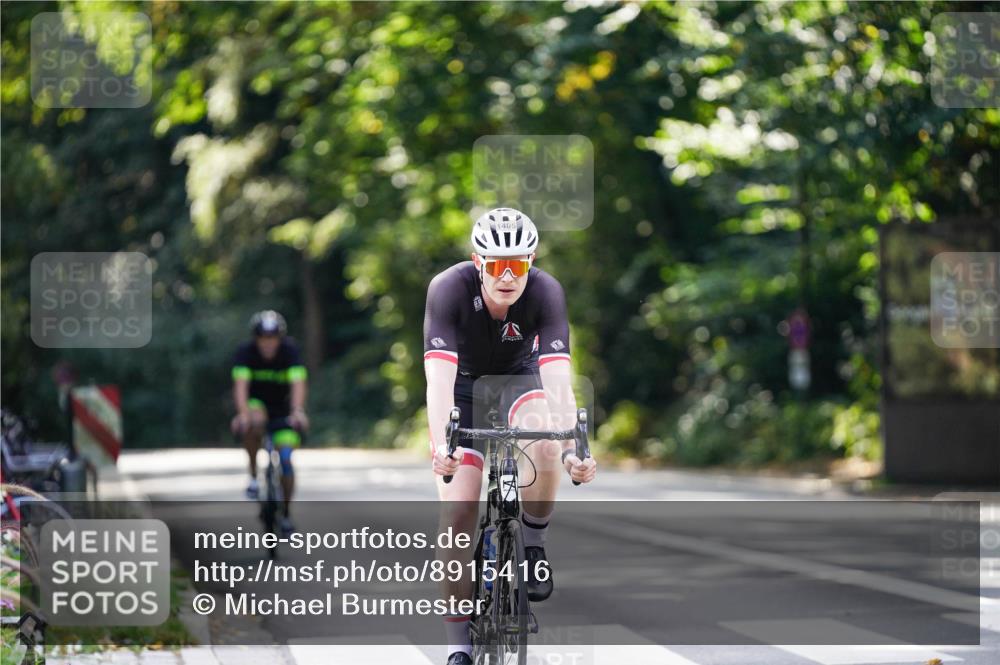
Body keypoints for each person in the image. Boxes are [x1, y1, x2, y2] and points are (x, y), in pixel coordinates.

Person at [424, 207, 598, 665]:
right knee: (458, 514)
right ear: (477, 261)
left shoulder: (545, 292)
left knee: (543, 437)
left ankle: (534, 543)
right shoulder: (448, 289)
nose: (507, 275)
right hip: (463, 389)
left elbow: (558, 379)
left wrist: (570, 450)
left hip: (520, 383)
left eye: (517, 264)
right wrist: (442, 446)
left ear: (531, 261)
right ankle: (458, 646)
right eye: (496, 264)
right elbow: (438, 380)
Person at [230, 310, 309, 535]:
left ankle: (285, 514)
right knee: (252, 421)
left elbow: (298, 383)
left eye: (272, 338)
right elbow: (241, 386)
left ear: (280, 338)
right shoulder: (246, 353)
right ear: (256, 339)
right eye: (263, 338)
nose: (268, 344)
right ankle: (254, 476)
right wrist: (242, 414)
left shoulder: (290, 351)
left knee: (285, 459)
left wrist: (298, 411)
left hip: (283, 408)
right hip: (256, 405)